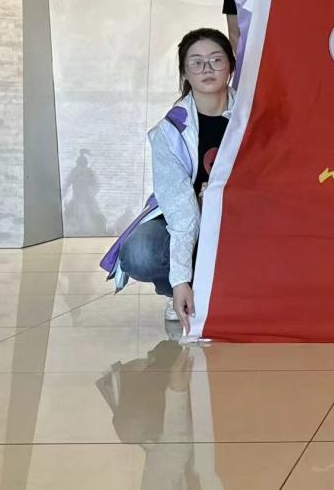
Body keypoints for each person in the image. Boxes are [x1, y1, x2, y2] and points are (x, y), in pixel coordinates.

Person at [99, 29, 236, 333]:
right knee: (141, 251)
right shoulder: (170, 131)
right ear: (185, 72)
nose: (207, 69)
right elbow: (182, 211)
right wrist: (180, 280)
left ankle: (231, 291)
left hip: (239, 218)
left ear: (231, 66)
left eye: (216, 60)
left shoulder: (250, 117)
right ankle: (181, 294)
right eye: (196, 62)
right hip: (188, 216)